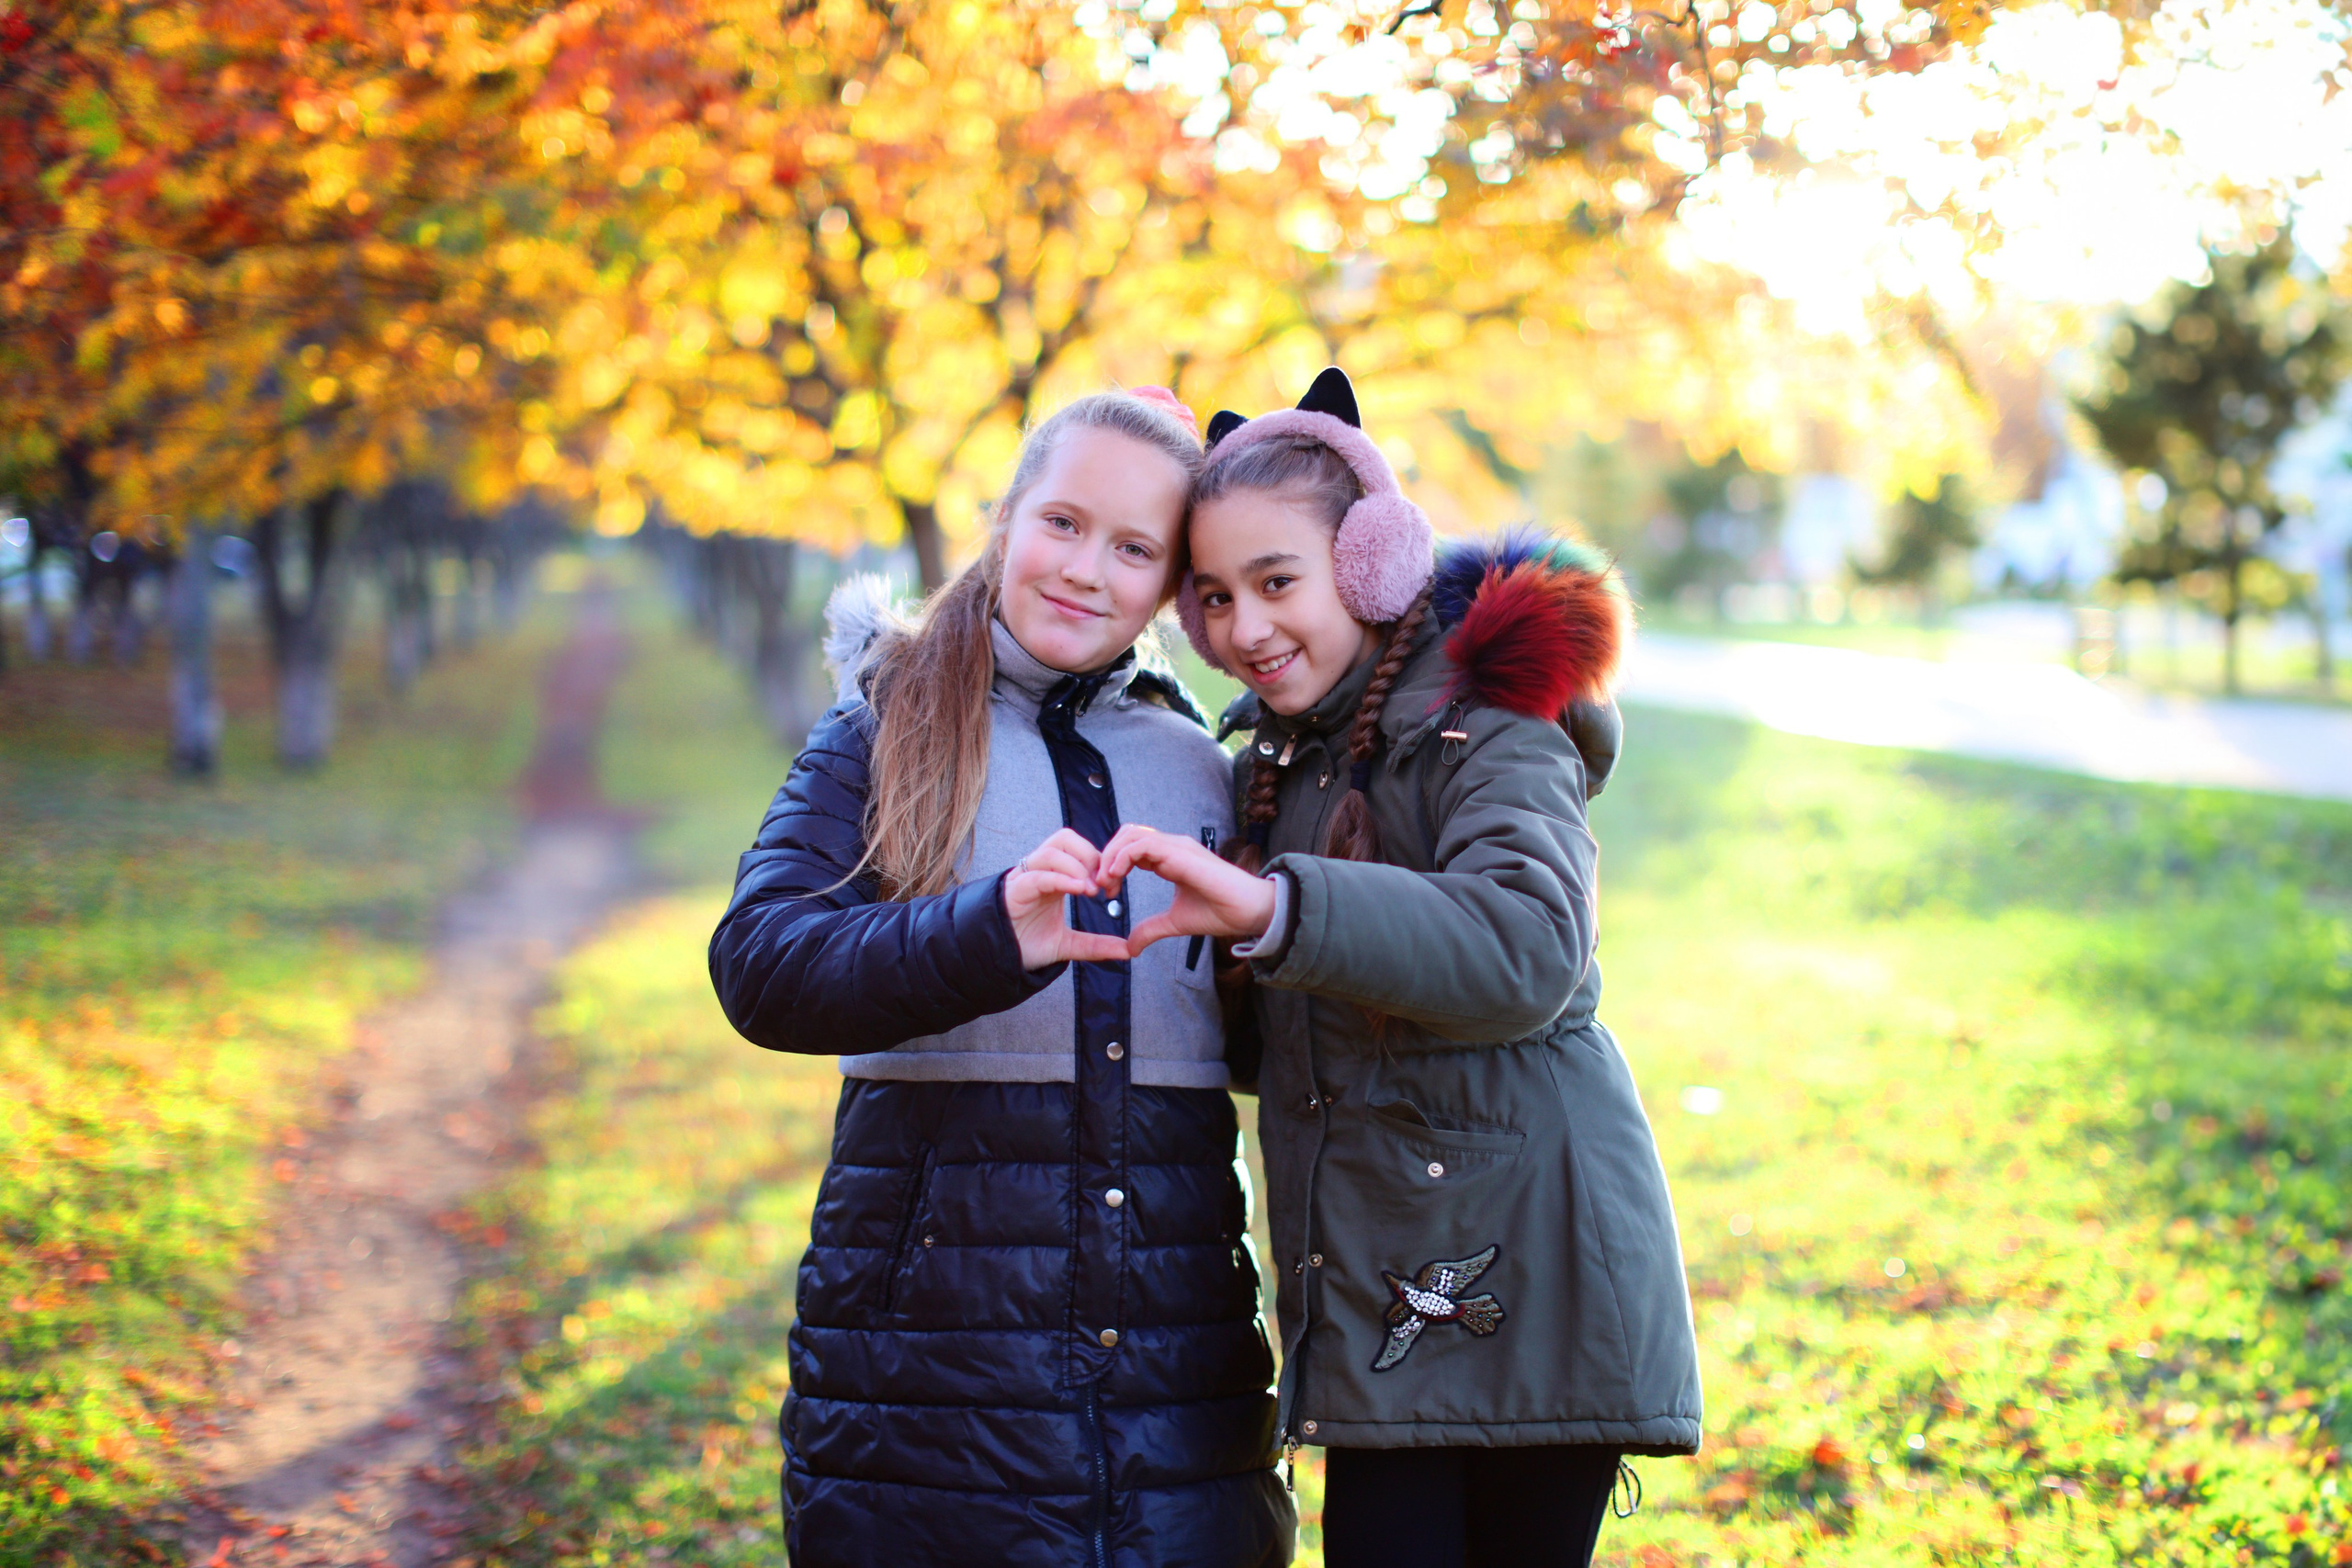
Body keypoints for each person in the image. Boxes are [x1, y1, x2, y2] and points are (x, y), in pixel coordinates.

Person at [1094, 369, 1702, 1568]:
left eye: (1277, 581)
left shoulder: (1492, 718)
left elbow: (1527, 941)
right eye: (1212, 596)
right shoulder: (1293, 756)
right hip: (1391, 1293)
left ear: (1372, 558)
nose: (1244, 628)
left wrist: (1276, 909)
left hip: (1529, 1273)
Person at [708, 389, 1295, 1568]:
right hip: (924, 1373)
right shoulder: (887, 724)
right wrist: (985, 936)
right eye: (1063, 523)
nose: (1087, 570)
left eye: (1135, 548)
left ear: (1173, 583)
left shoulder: (1202, 768)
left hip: (1179, 1378)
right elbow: (762, 965)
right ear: (1005, 518)